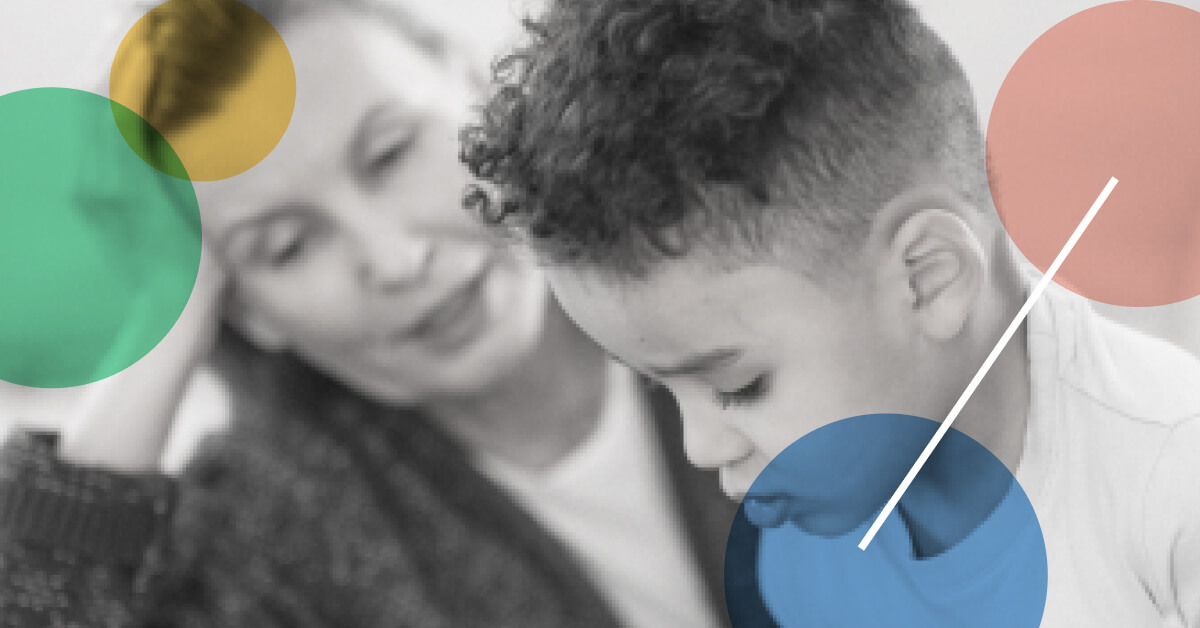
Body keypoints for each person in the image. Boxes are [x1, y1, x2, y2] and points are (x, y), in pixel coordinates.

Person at [0, 0, 750, 626]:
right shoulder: (268, 537)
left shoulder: (733, 251)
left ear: (475, 87)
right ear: (241, 309)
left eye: (392, 153)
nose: (395, 261)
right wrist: (155, 334)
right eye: (286, 246)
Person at [460, 0, 1200, 626]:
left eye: (739, 385)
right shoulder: (815, 532)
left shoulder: (1171, 490)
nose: (701, 449)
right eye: (658, 387)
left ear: (927, 279)